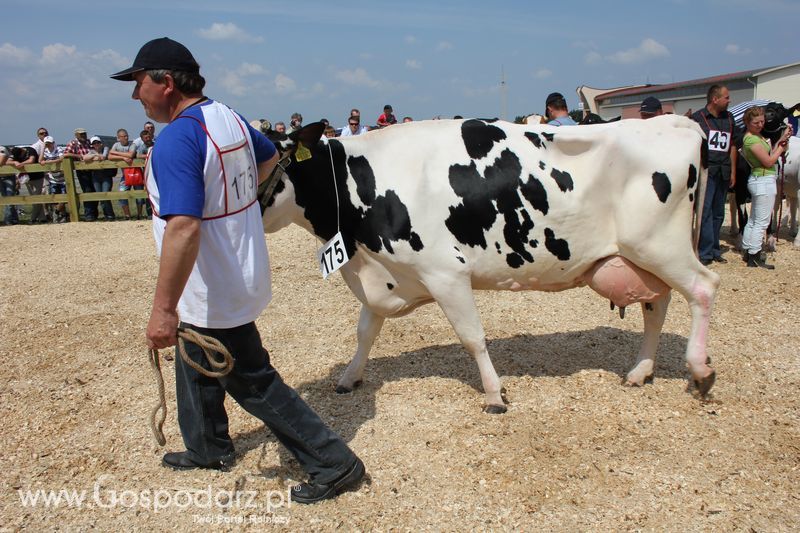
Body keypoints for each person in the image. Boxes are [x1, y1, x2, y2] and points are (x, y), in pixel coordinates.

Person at [110, 37, 364, 504]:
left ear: (165, 83)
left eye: (138, 82)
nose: (135, 95)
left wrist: (162, 309)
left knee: (251, 379)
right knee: (196, 358)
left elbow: (183, 229)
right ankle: (206, 446)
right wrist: (236, 211)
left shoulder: (177, 140)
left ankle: (333, 462)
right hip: (233, 270)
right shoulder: (226, 116)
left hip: (213, 281)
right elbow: (270, 159)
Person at [691, 85, 739, 265]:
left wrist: (733, 170)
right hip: (707, 171)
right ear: (715, 99)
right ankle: (704, 252)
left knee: (719, 212)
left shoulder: (729, 118)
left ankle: (714, 249)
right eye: (726, 97)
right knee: (704, 211)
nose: (729, 100)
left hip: (723, 170)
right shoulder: (698, 118)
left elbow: (733, 144)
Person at [740, 106, 793, 268]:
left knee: (755, 219)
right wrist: (781, 149)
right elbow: (769, 161)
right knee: (762, 221)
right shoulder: (751, 140)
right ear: (748, 122)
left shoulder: (756, 137)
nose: (760, 125)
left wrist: (782, 138)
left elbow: (770, 154)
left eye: (762, 121)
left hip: (761, 179)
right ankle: (754, 254)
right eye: (756, 122)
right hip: (763, 179)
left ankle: (748, 249)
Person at [109, 128, 144, 220]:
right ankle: (127, 215)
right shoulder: (116, 145)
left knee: (139, 195)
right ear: (118, 138)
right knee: (122, 194)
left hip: (136, 173)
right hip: (125, 175)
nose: (126, 137)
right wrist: (123, 158)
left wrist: (116, 154)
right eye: (124, 136)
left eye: (126, 135)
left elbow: (131, 155)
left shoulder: (132, 144)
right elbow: (110, 156)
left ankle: (139, 214)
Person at [64, 128, 98, 221]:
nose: (83, 136)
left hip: (93, 170)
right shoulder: (73, 143)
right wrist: (79, 156)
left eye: (84, 134)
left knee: (95, 190)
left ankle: (94, 214)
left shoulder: (88, 142)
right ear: (76, 135)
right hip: (82, 171)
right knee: (87, 191)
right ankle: (89, 215)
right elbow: (66, 154)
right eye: (81, 134)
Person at [9, 145, 47, 223]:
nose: (19, 157)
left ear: (22, 150)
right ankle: (42, 218)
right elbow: (7, 161)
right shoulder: (16, 153)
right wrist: (14, 162)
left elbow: (31, 160)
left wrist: (21, 164)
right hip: (27, 179)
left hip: (38, 177)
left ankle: (32, 218)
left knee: (37, 197)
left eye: (20, 156)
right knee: (34, 199)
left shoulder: (31, 150)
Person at [84, 136, 116, 221]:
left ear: (101, 143)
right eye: (94, 143)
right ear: (92, 145)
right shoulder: (91, 151)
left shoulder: (105, 148)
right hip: (96, 177)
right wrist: (95, 155)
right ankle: (106, 215)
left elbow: (103, 157)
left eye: (98, 142)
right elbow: (85, 158)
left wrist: (93, 157)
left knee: (105, 194)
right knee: (100, 196)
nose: (96, 144)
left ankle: (110, 215)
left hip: (106, 176)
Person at [41, 136, 68, 223]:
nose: (48, 145)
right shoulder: (45, 151)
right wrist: (42, 149)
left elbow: (61, 158)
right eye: (46, 143)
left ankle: (56, 212)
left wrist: (48, 162)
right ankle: (62, 215)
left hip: (63, 178)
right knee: (55, 199)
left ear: (53, 143)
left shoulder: (58, 149)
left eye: (50, 143)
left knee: (64, 198)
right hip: (53, 179)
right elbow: (40, 160)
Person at [0, 146, 19, 225]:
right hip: (0, 177)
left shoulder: (2, 149)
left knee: (9, 198)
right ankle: (14, 219)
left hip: (9, 177)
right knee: (6, 198)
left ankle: (7, 220)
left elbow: (1, 162)